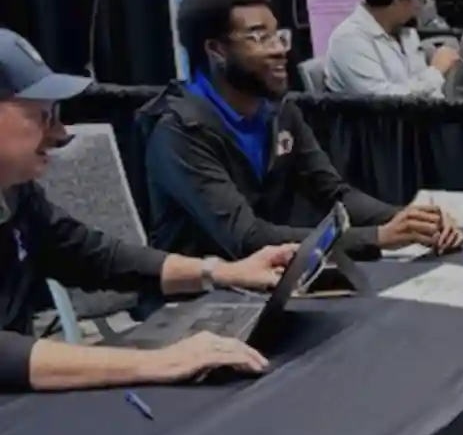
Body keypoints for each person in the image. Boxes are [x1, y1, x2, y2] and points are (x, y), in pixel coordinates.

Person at [0, 29, 296, 391]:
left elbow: (96, 256)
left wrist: (221, 272)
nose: (60, 133)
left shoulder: (16, 194)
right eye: (42, 116)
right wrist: (160, 361)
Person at [143, 0, 463, 262]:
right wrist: (377, 237)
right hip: (196, 299)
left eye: (278, 35)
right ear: (216, 50)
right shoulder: (179, 132)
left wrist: (411, 220)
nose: (279, 49)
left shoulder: (279, 110)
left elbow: (332, 193)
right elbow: (246, 238)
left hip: (270, 280)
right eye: (258, 37)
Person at [325, 0, 459, 97]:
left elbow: (422, 84)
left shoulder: (406, 32)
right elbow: (385, 102)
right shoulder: (349, 40)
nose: (421, 5)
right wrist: (436, 72)